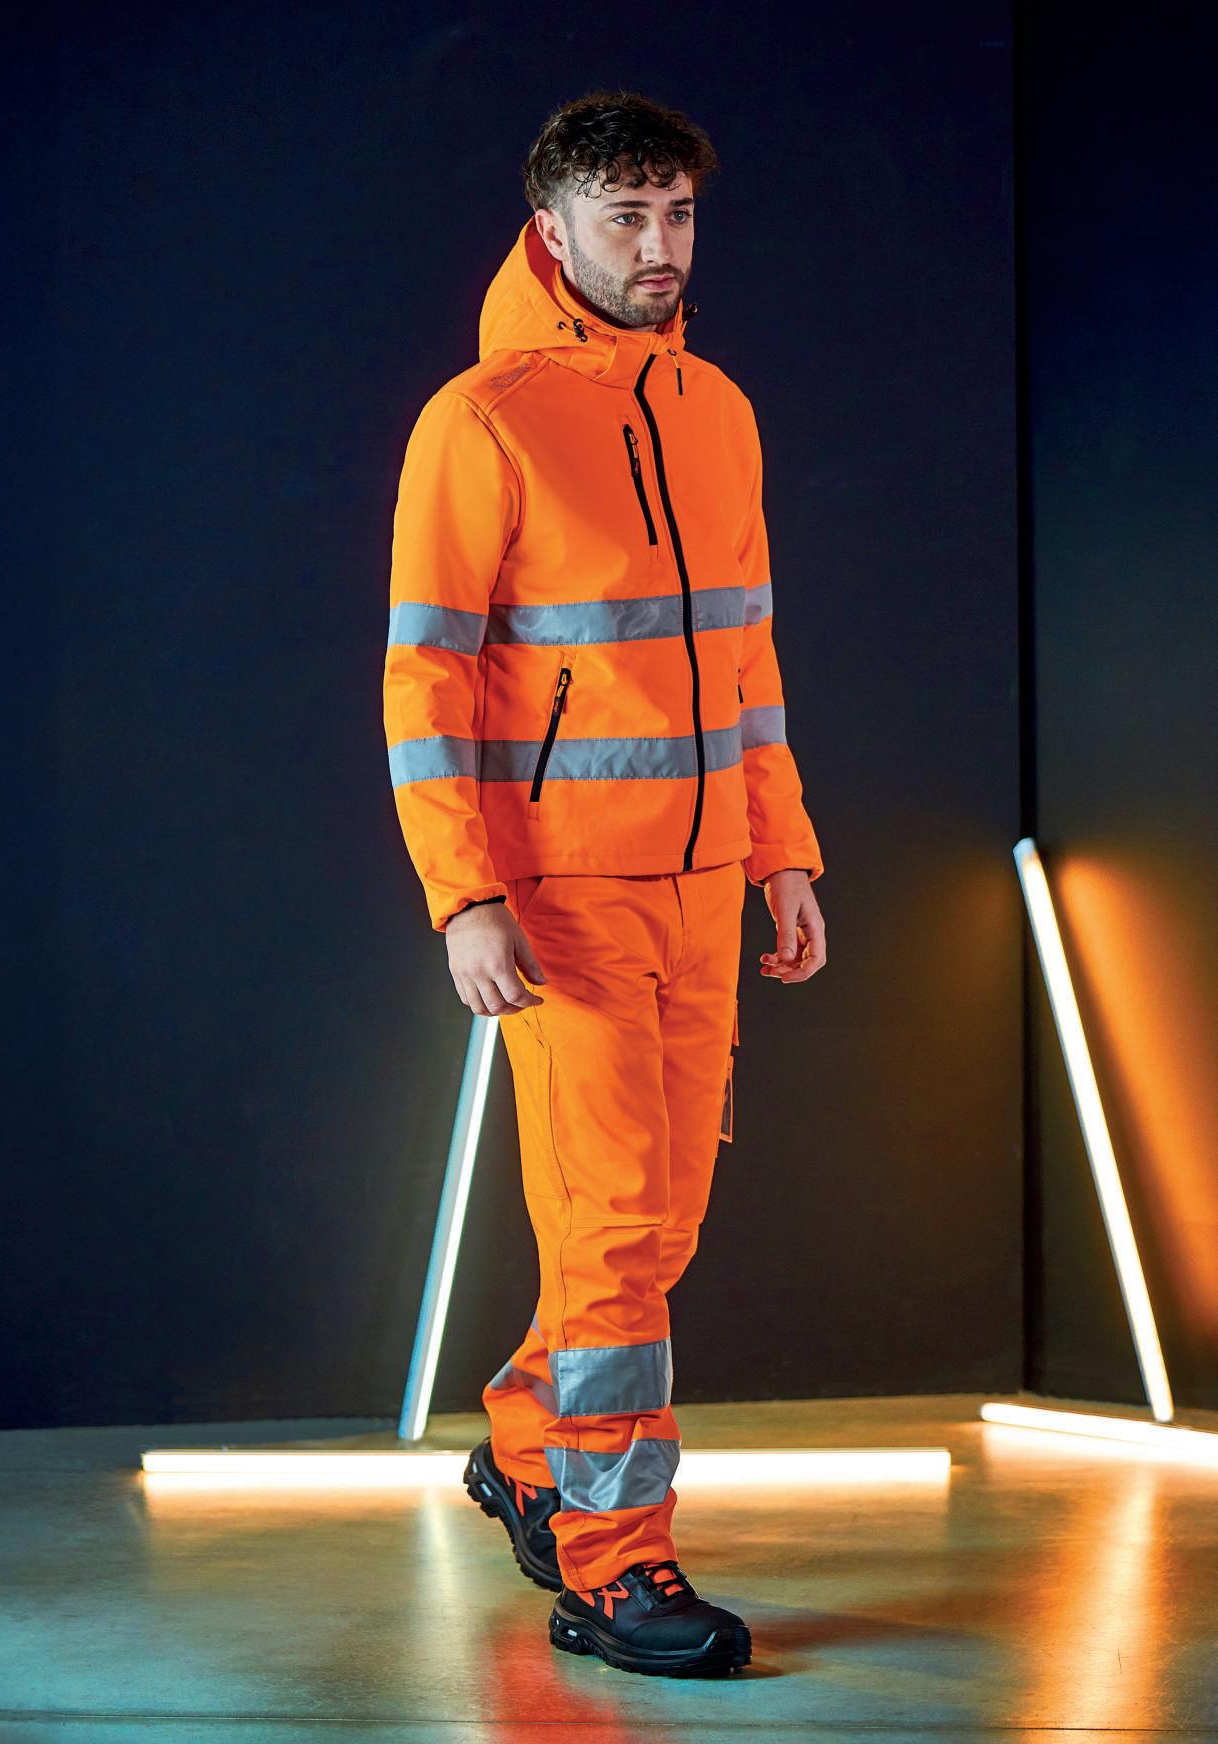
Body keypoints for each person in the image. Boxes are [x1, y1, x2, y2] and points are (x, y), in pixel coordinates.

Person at [383, 88, 826, 1677]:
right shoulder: (482, 419)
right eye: (625, 216)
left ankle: (527, 1441)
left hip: (703, 887)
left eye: (677, 214)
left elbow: (747, 664)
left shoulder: (719, 409)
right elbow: (426, 682)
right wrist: (464, 897)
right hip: (560, 898)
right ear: (553, 229)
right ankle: (616, 1564)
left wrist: (782, 849)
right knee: (614, 1228)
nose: (659, 245)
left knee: (662, 1224)